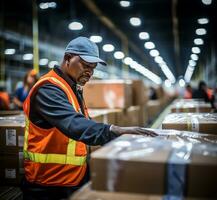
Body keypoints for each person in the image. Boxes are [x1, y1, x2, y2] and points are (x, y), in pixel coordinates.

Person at [21, 36, 157, 200]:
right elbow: (74, 124)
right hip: (48, 184)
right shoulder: (48, 89)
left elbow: (85, 122)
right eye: (85, 65)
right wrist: (114, 131)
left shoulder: (71, 87)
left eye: (92, 68)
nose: (90, 72)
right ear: (68, 58)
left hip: (70, 178)